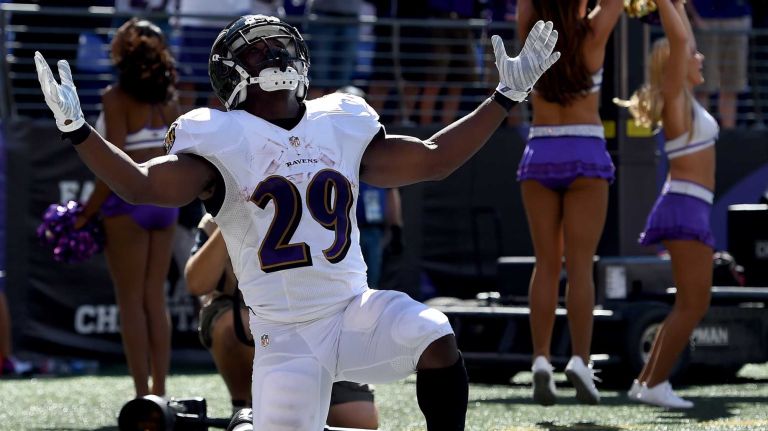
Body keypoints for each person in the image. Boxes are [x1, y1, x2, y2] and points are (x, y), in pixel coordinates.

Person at [33, 13, 558, 430]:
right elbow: (141, 186)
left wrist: (505, 97)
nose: (274, 54)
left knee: (434, 333)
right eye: (258, 51)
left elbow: (433, 158)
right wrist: (78, 130)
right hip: (283, 337)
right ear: (232, 76)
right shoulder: (219, 137)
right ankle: (248, 423)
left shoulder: (340, 121)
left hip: (354, 309)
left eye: (278, 44)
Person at [515, 0, 622, 406]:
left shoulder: (531, 30)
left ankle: (540, 359)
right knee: (580, 269)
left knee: (546, 264)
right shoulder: (592, 33)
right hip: (587, 151)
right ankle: (579, 360)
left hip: (540, 150)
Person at [185, 213, 379, 428]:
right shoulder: (218, 214)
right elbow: (197, 284)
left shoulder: (317, 194)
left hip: (318, 317)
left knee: (359, 420)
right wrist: (232, 218)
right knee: (231, 324)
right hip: (259, 321)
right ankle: (244, 406)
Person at [72, 18, 181, 397]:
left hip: (127, 205)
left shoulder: (113, 99)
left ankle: (141, 396)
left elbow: (111, 167)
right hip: (165, 205)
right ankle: (161, 393)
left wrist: (86, 212)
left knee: (131, 302)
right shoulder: (170, 100)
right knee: (156, 298)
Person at [616, 0, 717, 409]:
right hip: (685, 208)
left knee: (689, 304)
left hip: (688, 207)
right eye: (692, 55)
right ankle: (655, 383)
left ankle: (646, 382)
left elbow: (683, 38)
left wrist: (674, 3)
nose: (699, 54)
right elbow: (679, 40)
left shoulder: (685, 101)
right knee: (694, 303)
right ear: (674, 64)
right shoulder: (675, 99)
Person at [687, 0, 752, 129]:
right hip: (704, 18)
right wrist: (694, 16)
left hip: (737, 18)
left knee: (731, 86)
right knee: (702, 86)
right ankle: (703, 135)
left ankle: (728, 136)